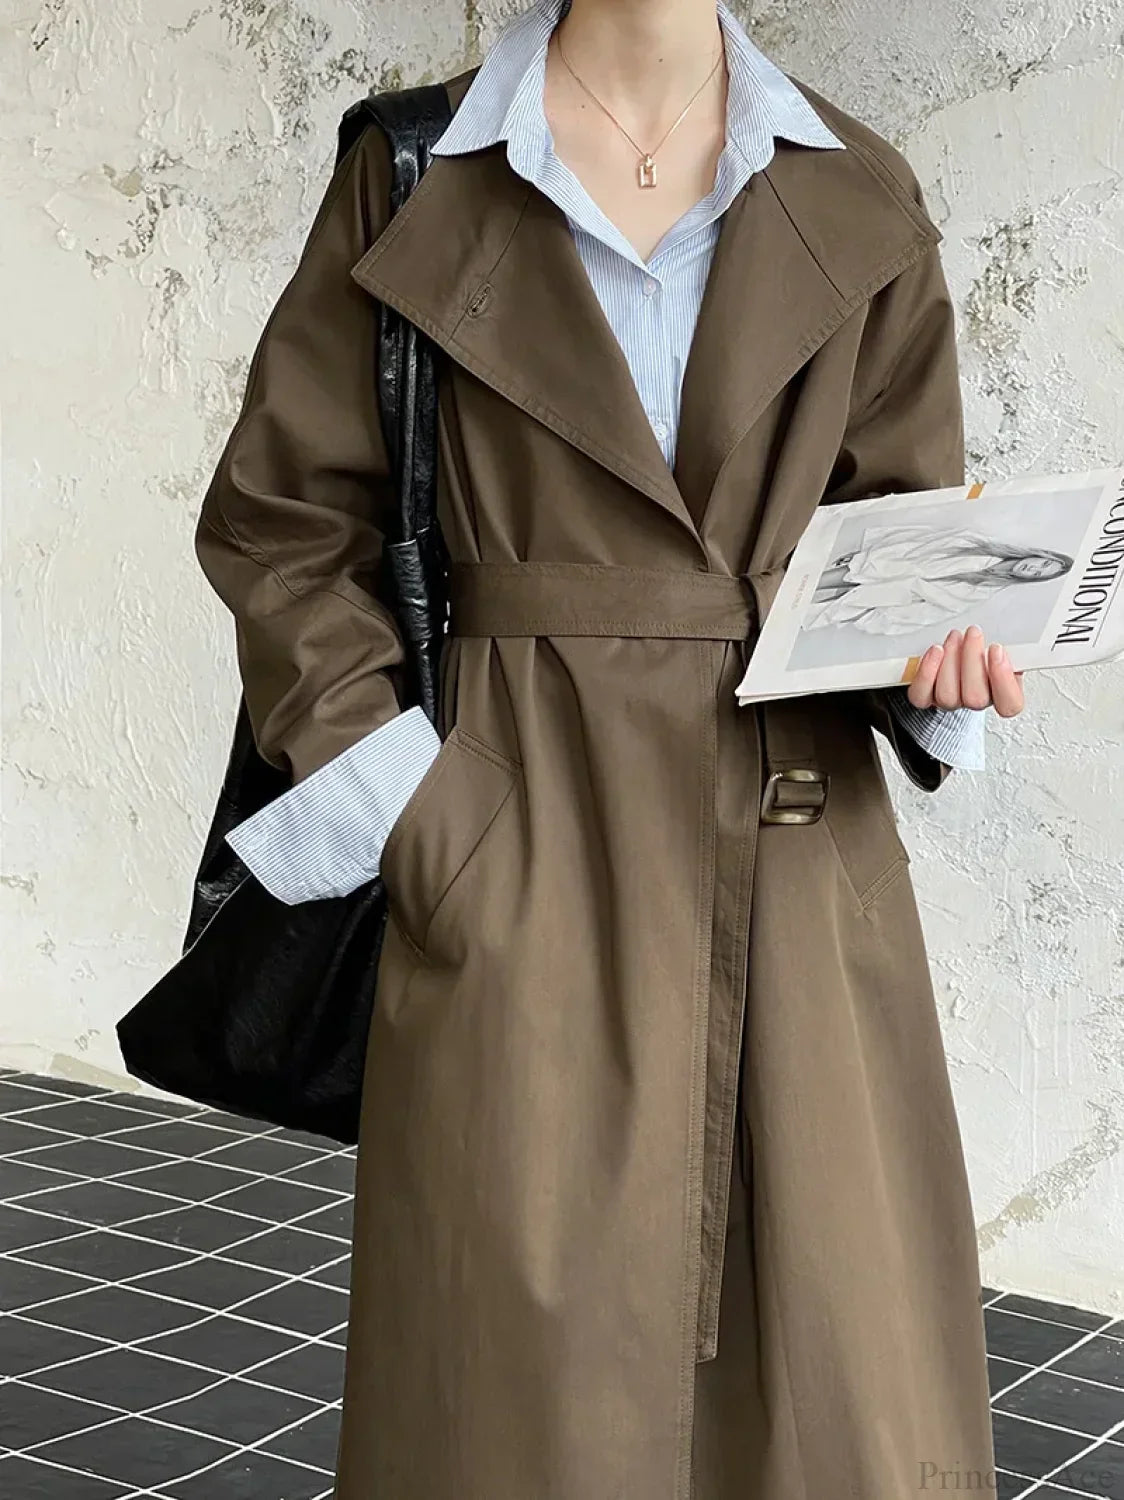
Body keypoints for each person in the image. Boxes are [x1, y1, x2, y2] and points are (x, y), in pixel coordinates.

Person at [192, 0, 1028, 1494]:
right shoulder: (416, 168)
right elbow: (283, 523)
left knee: (837, 1392)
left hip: (794, 859)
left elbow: (891, 531)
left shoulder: (858, 186)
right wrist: (414, 810)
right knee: (513, 1399)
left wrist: (940, 665)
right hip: (518, 841)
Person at [807, 523, 1074, 634]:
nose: (1033, 569)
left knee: (812, 608)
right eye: (1042, 564)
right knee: (808, 583)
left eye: (1039, 574)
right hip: (885, 565)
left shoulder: (982, 590)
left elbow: (929, 612)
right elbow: (919, 539)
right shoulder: (980, 544)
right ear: (1040, 554)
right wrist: (868, 552)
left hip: (890, 597)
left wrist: (878, 616)